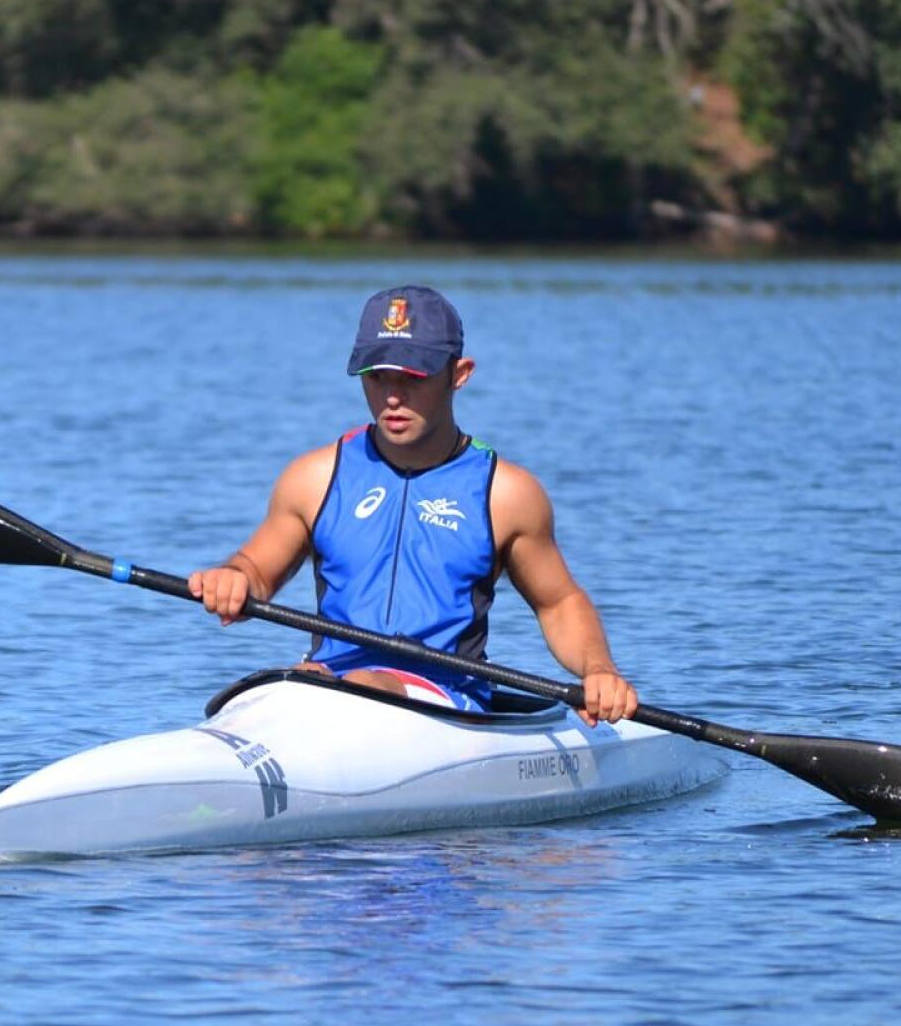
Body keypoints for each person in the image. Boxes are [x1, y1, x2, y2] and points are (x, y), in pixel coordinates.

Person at [188, 285, 637, 726]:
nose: (393, 398)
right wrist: (234, 577)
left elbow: (558, 603)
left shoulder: (506, 493)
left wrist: (599, 671)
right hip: (324, 682)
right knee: (300, 686)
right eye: (377, 377)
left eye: (414, 378)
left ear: (459, 374)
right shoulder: (314, 478)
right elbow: (257, 571)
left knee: (354, 685)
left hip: (445, 697)